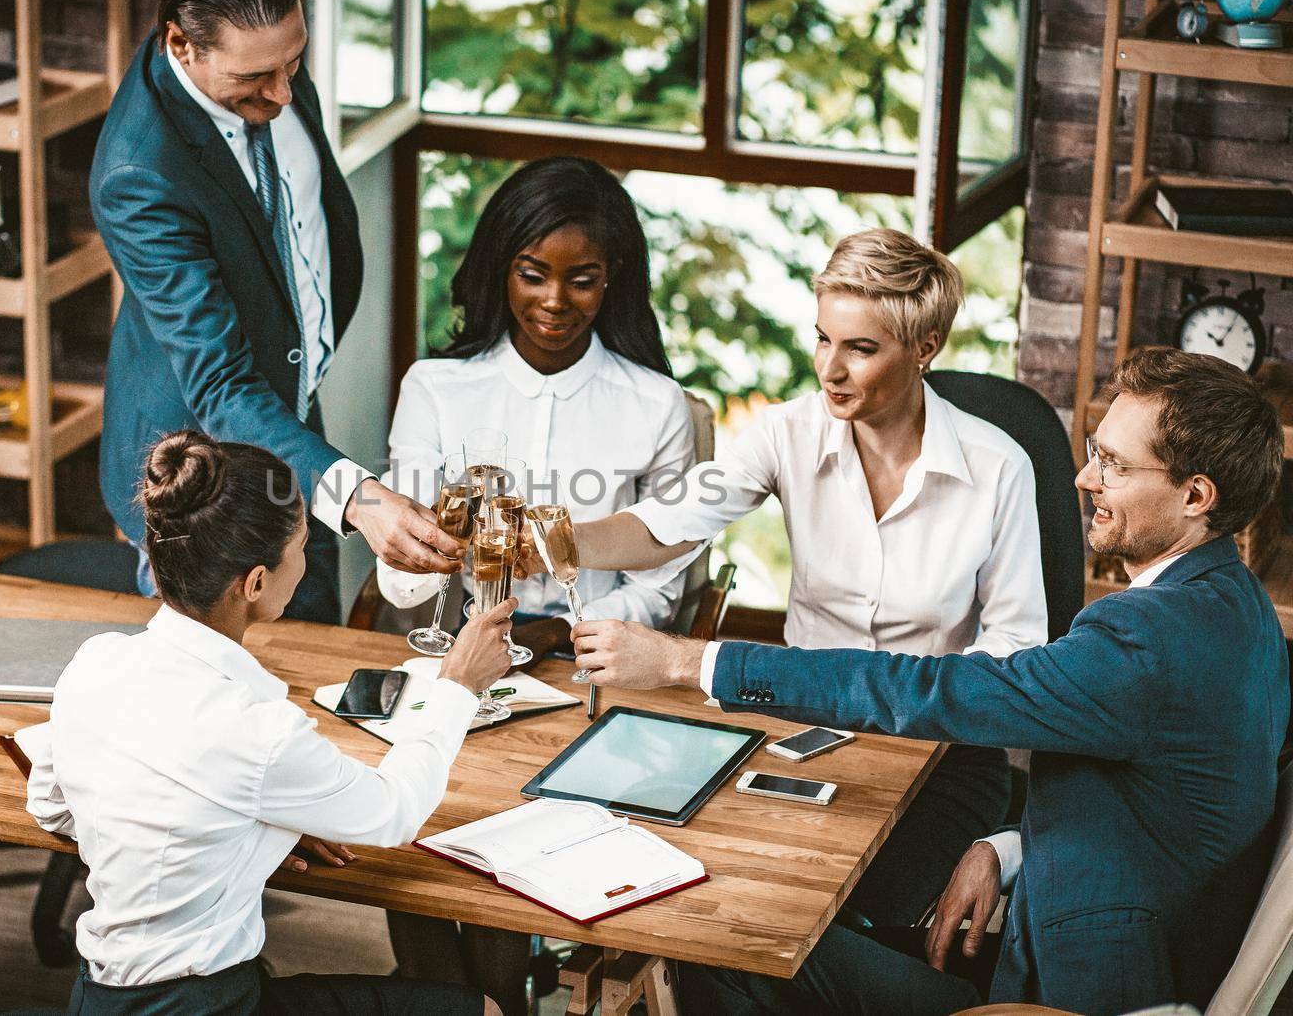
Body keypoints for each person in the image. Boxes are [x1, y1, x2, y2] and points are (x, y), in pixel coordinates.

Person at [572, 347, 1289, 1015]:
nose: (1084, 478)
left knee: (727, 947)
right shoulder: (1241, 605)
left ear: (1196, 495)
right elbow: (1158, 806)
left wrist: (686, 661)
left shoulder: (1144, 640)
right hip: (1086, 934)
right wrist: (1006, 849)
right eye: (1094, 453)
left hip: (1065, 995)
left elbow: (925, 689)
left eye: (1115, 464)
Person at [560, 227, 1048, 930]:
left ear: (924, 347)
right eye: (823, 338)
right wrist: (557, 540)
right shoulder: (785, 432)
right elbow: (664, 525)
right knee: (718, 894)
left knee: (854, 920)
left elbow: (1015, 647)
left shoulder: (998, 466)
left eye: (861, 347)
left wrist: (920, 708)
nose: (830, 368)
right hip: (799, 726)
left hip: (942, 753)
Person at [27, 431, 514, 1016]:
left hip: (98, 998)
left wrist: (237, 827)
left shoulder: (96, 662)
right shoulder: (255, 731)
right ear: (255, 583)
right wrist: (458, 685)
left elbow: (52, 807)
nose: (305, 566)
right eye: (303, 548)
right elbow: (394, 812)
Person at [93, 0, 459, 619]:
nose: (285, 94)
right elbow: (221, 386)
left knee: (316, 618)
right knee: (235, 677)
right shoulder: (139, 175)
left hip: (283, 403)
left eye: (295, 62)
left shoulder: (266, 55)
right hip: (198, 461)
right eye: (257, 77)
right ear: (182, 43)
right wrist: (360, 496)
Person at [378, 155, 696, 661]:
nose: (554, 300)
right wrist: (435, 536)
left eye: (582, 280)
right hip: (452, 652)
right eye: (532, 274)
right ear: (502, 268)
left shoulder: (658, 404)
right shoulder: (435, 388)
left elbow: (660, 591)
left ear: (612, 276)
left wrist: (555, 632)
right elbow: (400, 590)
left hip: (592, 656)